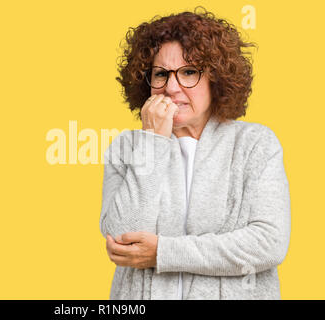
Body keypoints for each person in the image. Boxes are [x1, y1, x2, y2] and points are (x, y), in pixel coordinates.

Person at [99, 6, 291, 300]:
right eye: (161, 74)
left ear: (216, 78)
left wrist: (163, 252)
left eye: (189, 72)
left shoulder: (256, 144)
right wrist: (152, 143)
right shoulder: (126, 149)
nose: (172, 88)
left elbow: (268, 243)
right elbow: (123, 239)